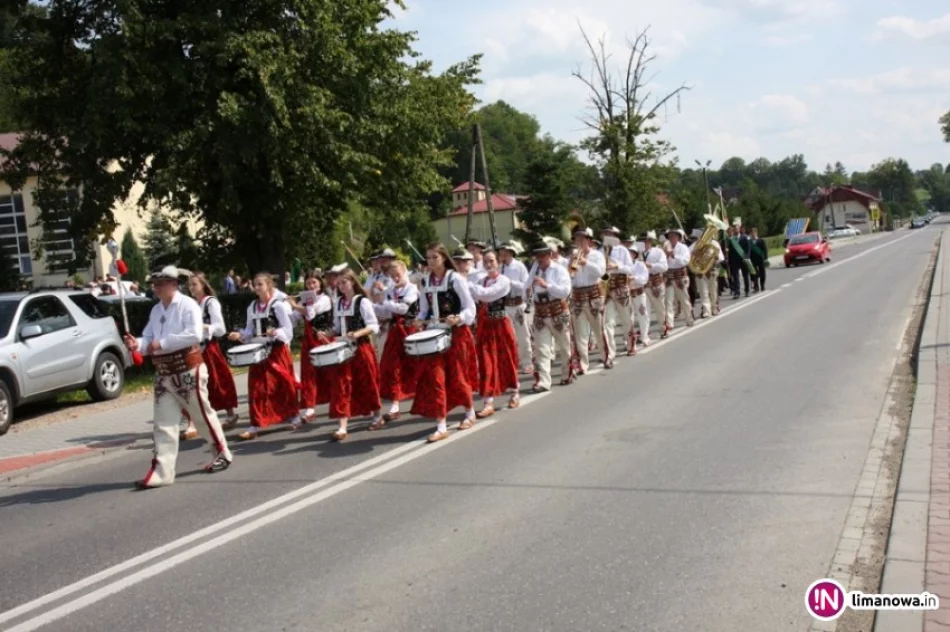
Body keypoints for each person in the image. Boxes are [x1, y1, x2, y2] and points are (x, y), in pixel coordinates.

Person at [122, 266, 233, 489]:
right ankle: (163, 471)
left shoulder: (188, 305)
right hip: (164, 373)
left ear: (174, 284)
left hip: (188, 369)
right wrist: (138, 344)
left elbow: (194, 334)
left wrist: (160, 344)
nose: (156, 287)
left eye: (161, 283)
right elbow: (149, 338)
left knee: (201, 414)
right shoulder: (156, 311)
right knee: (163, 424)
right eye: (154, 284)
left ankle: (222, 452)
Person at [411, 243, 477, 442]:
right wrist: (419, 320)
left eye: (434, 257)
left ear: (443, 258)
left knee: (458, 376)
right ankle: (441, 425)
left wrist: (458, 318)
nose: (430, 261)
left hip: (456, 334)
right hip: (435, 335)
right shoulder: (425, 281)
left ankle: (469, 411)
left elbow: (470, 307)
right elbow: (424, 310)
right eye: (428, 258)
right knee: (435, 379)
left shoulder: (455, 278)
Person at [228, 272, 301, 440]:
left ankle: (293, 415)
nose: (257, 287)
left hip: (276, 350)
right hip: (259, 352)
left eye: (260, 284)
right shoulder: (252, 307)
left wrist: (275, 332)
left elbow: (288, 331)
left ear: (269, 286)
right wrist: (239, 336)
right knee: (256, 388)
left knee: (283, 384)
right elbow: (249, 332)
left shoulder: (278, 306)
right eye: (255, 284)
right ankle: (255, 424)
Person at [179, 273, 239, 441]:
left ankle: (230, 414)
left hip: (209, 348)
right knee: (191, 385)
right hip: (193, 349)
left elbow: (220, 329)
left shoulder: (210, 302)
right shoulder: (190, 305)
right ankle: (192, 422)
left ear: (203, 285)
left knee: (217, 381)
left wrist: (204, 327)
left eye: (195, 284)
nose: (192, 288)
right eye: (190, 285)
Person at [324, 268, 383, 440]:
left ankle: (377, 416)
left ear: (352, 282)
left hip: (361, 348)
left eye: (344, 282)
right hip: (343, 350)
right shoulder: (339, 303)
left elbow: (373, 326)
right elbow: (336, 327)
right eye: (339, 283)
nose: (341, 286)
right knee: (342, 385)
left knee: (368, 382)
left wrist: (357, 333)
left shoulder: (362, 302)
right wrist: (329, 333)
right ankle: (342, 426)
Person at [470, 250, 520, 417]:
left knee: (507, 359)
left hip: (500, 324)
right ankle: (488, 401)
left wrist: (468, 285)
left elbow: (488, 295)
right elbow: (475, 297)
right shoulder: (480, 281)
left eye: (491, 260)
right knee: (485, 362)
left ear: (498, 262)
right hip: (485, 325)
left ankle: (514, 392)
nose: (488, 264)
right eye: (485, 261)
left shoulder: (503, 280)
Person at [370, 260, 419, 428]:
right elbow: (388, 312)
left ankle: (423, 396)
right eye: (392, 276)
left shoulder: (412, 289)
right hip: (395, 332)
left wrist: (385, 299)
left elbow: (404, 308)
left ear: (404, 271)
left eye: (397, 274)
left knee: (416, 366)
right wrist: (373, 307)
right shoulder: (390, 290)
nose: (395, 278)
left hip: (410, 331)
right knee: (392, 367)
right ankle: (395, 405)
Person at [288, 273, 333, 422]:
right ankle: (310, 408)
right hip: (308, 340)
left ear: (320, 284)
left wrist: (295, 305)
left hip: (323, 338)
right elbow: (293, 318)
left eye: (314, 283)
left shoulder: (325, 299)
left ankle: (338, 400)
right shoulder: (304, 301)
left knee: (329, 372)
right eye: (308, 284)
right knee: (308, 374)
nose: (312, 286)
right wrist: (286, 307)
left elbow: (312, 313)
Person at [530, 241, 573, 392]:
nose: (539, 259)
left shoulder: (560, 270)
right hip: (540, 313)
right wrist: (527, 292)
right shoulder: (535, 271)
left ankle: (566, 373)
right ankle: (544, 381)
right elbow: (526, 288)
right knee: (542, 349)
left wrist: (546, 285)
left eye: (542, 255)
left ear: (549, 255)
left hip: (557, 312)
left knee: (564, 346)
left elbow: (565, 292)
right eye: (537, 256)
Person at [568, 227, 606, 374]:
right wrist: (571, 263)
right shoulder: (572, 257)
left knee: (599, 329)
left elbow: (601, 273)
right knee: (580, 333)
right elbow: (570, 276)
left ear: (589, 241)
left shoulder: (597, 255)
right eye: (577, 239)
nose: (579, 242)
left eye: (582, 239)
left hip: (593, 294)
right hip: (577, 296)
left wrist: (585, 262)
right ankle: (583, 363)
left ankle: (605, 356)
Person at [600, 226, 635, 367]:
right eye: (605, 234)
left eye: (610, 234)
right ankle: (610, 352)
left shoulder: (623, 250)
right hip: (606, 287)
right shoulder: (598, 251)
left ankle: (631, 344)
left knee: (625, 318)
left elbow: (630, 269)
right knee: (607, 322)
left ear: (615, 236)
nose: (607, 236)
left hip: (620, 285)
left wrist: (616, 266)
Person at [498, 241, 532, 374]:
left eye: (505, 251)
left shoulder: (519, 266)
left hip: (518, 304)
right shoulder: (499, 268)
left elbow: (526, 284)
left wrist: (510, 282)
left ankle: (527, 361)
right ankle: (512, 362)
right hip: (505, 304)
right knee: (507, 336)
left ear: (511, 252)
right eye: (501, 252)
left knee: (523, 335)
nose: (503, 254)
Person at [641, 231, 669, 339]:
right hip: (643, 283)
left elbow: (664, 267)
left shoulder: (658, 252)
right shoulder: (637, 253)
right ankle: (645, 333)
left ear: (650, 241)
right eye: (643, 241)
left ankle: (663, 328)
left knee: (659, 308)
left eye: (647, 240)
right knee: (643, 310)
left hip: (655, 281)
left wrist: (651, 265)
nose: (645, 243)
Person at [664, 228, 694, 329]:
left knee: (684, 299)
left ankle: (689, 318)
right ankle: (670, 323)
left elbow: (685, 261)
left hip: (680, 275)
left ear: (678, 237)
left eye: (673, 236)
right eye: (670, 236)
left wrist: (674, 255)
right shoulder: (665, 247)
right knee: (668, 300)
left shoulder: (683, 247)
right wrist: (665, 255)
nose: (671, 238)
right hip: (668, 275)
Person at [628, 244, 651, 347]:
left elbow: (644, 279)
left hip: (638, 292)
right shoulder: (621, 266)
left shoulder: (640, 265)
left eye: (631, 253)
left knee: (642, 314)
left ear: (635, 254)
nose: (629, 255)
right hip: (626, 295)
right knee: (628, 318)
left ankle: (644, 336)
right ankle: (629, 339)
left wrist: (634, 278)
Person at [749, 227, 768, 292]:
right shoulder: (749, 242)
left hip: (760, 259)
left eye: (754, 233)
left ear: (756, 233)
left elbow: (765, 250)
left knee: (762, 273)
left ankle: (762, 285)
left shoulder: (761, 240)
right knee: (754, 273)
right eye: (751, 233)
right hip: (753, 260)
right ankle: (756, 287)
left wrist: (765, 258)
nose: (753, 234)